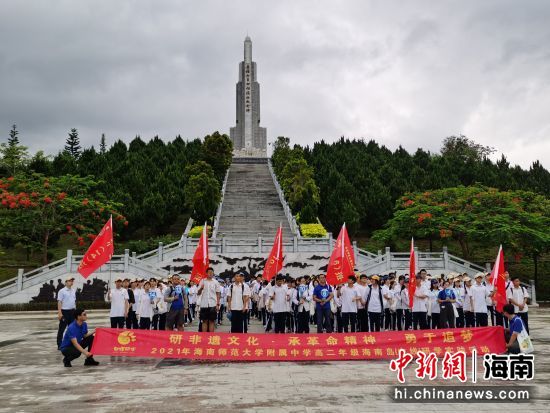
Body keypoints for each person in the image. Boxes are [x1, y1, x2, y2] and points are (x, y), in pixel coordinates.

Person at [197, 267, 221, 332]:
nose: (210, 273)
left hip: (213, 304)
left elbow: (218, 293)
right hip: (204, 304)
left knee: (211, 321)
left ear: (213, 273)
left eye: (212, 272)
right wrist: (201, 288)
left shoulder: (216, 282)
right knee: (204, 321)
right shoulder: (202, 281)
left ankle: (211, 336)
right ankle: (204, 337)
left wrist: (218, 304)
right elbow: (198, 293)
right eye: (209, 272)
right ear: (206, 273)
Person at [56, 276, 77, 349]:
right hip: (64, 312)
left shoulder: (73, 290)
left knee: (71, 329)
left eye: (72, 281)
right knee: (61, 329)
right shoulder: (62, 291)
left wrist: (75, 311)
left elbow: (74, 302)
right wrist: (60, 313)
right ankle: (59, 344)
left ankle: (71, 343)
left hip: (72, 312)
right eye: (70, 281)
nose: (71, 282)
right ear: (66, 282)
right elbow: (59, 302)